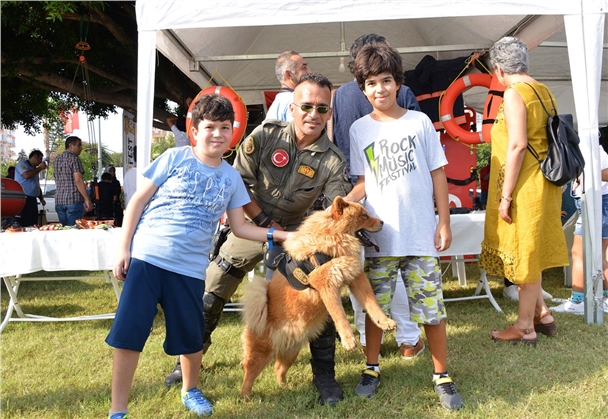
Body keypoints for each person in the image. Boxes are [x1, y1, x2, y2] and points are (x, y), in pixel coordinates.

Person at [164, 73, 352, 407]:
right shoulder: (265, 135)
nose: (313, 114)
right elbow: (238, 182)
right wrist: (266, 222)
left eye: (322, 109)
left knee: (317, 295)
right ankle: (190, 360)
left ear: (329, 113)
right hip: (250, 222)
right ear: (292, 107)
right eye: (306, 106)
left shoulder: (333, 160)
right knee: (214, 283)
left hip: (297, 237)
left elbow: (336, 211)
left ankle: (324, 375)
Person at [105, 94, 291, 419]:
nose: (217, 134)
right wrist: (124, 248)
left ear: (232, 132)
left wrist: (282, 234)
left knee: (191, 335)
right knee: (130, 333)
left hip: (191, 270)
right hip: (148, 259)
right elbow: (136, 202)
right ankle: (118, 409)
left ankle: (190, 390)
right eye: (210, 127)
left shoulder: (232, 178)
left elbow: (241, 228)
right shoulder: (174, 158)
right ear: (194, 129)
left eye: (224, 127)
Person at [346, 42, 463, 411]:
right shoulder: (358, 130)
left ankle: (442, 375)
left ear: (398, 83)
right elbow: (365, 182)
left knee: (431, 309)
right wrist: (344, 207)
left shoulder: (419, 122)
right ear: (362, 89)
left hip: (420, 235)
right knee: (374, 309)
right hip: (380, 239)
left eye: (385, 80)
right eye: (370, 83)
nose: (379, 89)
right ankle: (371, 367)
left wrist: (443, 220)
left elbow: (438, 173)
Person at [332, 33, 424, 360]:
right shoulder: (403, 92)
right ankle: (409, 338)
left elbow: (338, 142)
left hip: (352, 193)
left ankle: (363, 335)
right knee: (393, 267)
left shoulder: (340, 95)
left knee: (359, 269)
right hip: (392, 195)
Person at [479, 37, 568, 346]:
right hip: (543, 183)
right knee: (531, 253)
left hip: (525, 186)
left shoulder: (515, 94)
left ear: (499, 70)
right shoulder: (543, 91)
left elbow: (517, 145)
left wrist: (505, 197)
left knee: (524, 256)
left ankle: (524, 327)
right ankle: (543, 315)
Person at [552, 146, 608, 314]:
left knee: (580, 253)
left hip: (598, 202)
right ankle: (598, 298)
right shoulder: (586, 147)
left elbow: (605, 173)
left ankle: (578, 301)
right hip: (595, 202)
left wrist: (585, 174)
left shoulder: (590, 148)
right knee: (595, 254)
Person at [54, 136, 93, 226]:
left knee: (64, 230)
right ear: (70, 145)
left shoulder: (57, 159)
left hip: (59, 201)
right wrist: (87, 199)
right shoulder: (74, 159)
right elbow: (78, 180)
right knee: (73, 231)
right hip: (73, 200)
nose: (81, 148)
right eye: (79, 145)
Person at [265, 51, 312, 121]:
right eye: (304, 67)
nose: (310, 71)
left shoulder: (277, 103)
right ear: (289, 75)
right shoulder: (295, 100)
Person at [14, 150, 46, 227]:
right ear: (34, 156)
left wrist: (41, 198)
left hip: (33, 198)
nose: (40, 162)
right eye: (40, 159)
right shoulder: (22, 164)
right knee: (25, 221)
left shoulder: (34, 169)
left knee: (33, 221)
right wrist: (40, 168)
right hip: (24, 198)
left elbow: (36, 185)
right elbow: (26, 175)